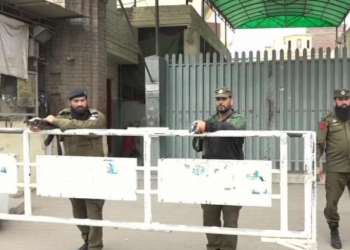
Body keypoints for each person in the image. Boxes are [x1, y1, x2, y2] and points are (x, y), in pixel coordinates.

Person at [29, 88, 106, 250]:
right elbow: (52, 126)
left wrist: (56, 122)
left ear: (87, 101)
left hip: (94, 169)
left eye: (82, 101)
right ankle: (87, 239)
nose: (79, 104)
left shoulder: (96, 116)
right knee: (77, 208)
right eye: (75, 101)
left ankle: (95, 246)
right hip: (72, 169)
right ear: (70, 102)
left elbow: (86, 127)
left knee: (94, 209)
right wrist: (39, 125)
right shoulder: (64, 115)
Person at [191, 87, 246, 250]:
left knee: (230, 220)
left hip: (232, 177)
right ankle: (213, 247)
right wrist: (199, 131)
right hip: (210, 176)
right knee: (209, 217)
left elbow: (229, 129)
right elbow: (201, 144)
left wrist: (206, 126)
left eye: (224, 99)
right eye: (218, 99)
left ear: (231, 101)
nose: (220, 102)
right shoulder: (212, 119)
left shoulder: (238, 119)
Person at [316, 88, 350, 249]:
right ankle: (334, 230)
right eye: (340, 99)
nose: (344, 102)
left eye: (347, 99)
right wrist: (316, 163)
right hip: (336, 169)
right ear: (335, 101)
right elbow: (319, 144)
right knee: (331, 205)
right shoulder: (328, 119)